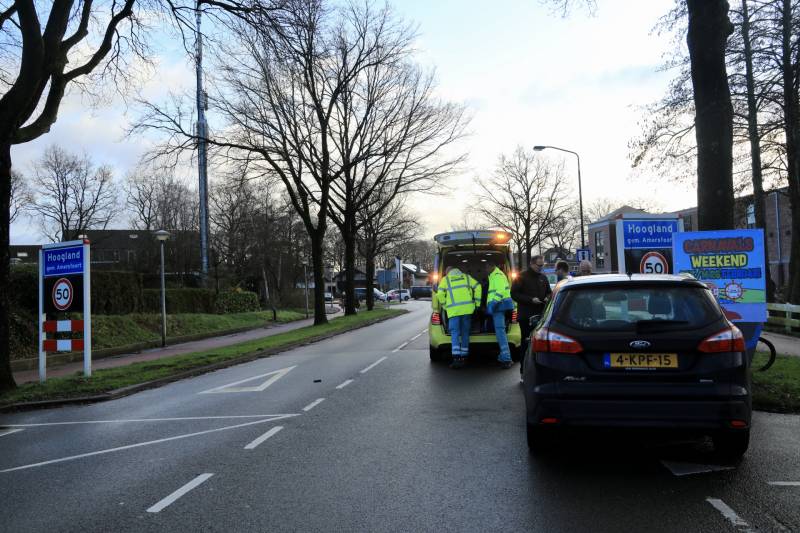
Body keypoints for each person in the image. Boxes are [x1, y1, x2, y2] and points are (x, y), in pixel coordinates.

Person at [437, 266, 481, 369]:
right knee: (465, 333)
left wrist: (445, 306)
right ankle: (464, 357)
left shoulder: (445, 280)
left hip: (454, 311)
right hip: (467, 310)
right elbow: (478, 286)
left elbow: (439, 294)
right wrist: (477, 303)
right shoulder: (466, 277)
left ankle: (456, 359)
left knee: (455, 333)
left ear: (447, 272)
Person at [511, 255, 552, 346]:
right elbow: (514, 294)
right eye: (539, 265)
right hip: (526, 316)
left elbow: (549, 292)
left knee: (540, 342)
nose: (541, 268)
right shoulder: (521, 276)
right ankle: (524, 359)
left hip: (541, 315)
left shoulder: (543, 277)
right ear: (532, 264)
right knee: (526, 341)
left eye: (542, 265)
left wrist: (547, 297)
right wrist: (531, 300)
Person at [483, 262, 514, 369]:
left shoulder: (497, 275)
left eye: (486, 266)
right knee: (500, 331)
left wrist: (493, 303)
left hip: (499, 306)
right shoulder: (494, 276)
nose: (485, 269)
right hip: (499, 306)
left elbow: (499, 291)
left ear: (492, 266)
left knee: (500, 331)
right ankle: (504, 356)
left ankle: (506, 358)